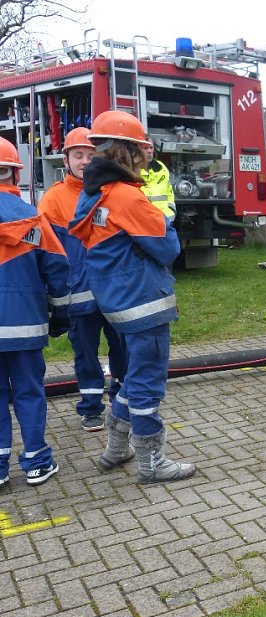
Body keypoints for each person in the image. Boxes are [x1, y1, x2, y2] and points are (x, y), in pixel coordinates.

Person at [69, 110, 196, 484]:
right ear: (129, 152)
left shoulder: (93, 195)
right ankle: (152, 462)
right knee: (147, 383)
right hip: (145, 303)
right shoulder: (128, 197)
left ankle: (116, 447)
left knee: (136, 376)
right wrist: (161, 221)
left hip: (117, 301)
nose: (145, 155)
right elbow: (168, 248)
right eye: (141, 148)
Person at [38, 127, 127, 432]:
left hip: (113, 292)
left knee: (122, 348)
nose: (85, 161)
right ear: (66, 158)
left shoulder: (110, 191)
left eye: (91, 155)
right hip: (77, 294)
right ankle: (90, 408)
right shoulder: (52, 199)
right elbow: (45, 250)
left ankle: (121, 398)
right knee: (85, 353)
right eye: (78, 155)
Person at [0, 137, 70, 489]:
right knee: (28, 391)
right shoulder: (33, 219)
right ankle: (36, 461)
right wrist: (60, 315)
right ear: (15, 173)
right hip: (25, 326)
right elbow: (57, 270)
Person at [140, 135, 176, 222]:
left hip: (165, 222)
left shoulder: (161, 167)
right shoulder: (132, 172)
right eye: (145, 148)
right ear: (137, 151)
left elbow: (169, 192)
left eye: (151, 147)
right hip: (143, 223)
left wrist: (171, 211)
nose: (149, 151)